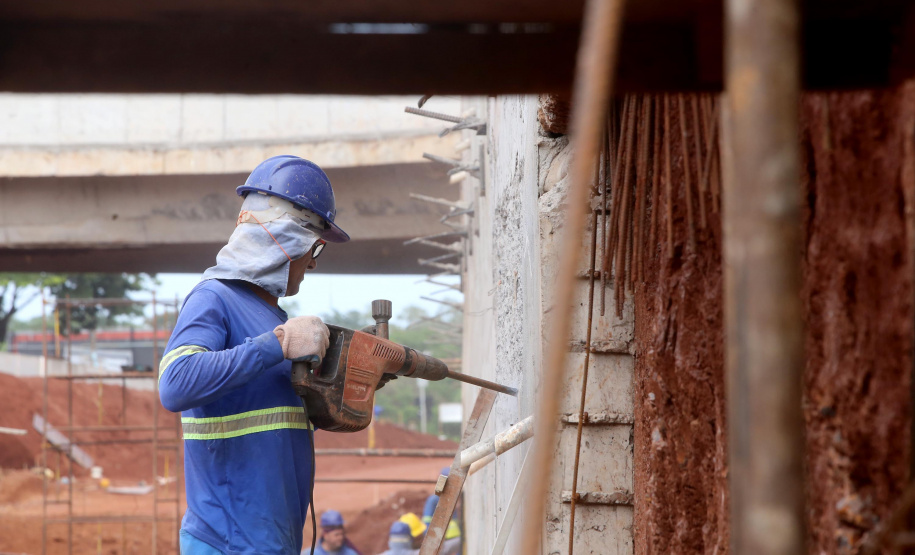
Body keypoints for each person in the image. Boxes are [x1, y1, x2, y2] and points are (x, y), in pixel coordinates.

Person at [159, 155, 350, 554]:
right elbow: (175, 385)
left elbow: (271, 426)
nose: (311, 264)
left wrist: (340, 386)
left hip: (270, 542)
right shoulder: (215, 298)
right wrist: (277, 344)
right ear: (288, 240)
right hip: (226, 542)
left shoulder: (270, 316)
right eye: (314, 248)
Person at [421, 468, 462, 555]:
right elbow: (427, 521)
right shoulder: (434, 500)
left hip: (452, 537)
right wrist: (431, 540)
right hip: (440, 539)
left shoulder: (452, 499)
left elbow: (455, 520)